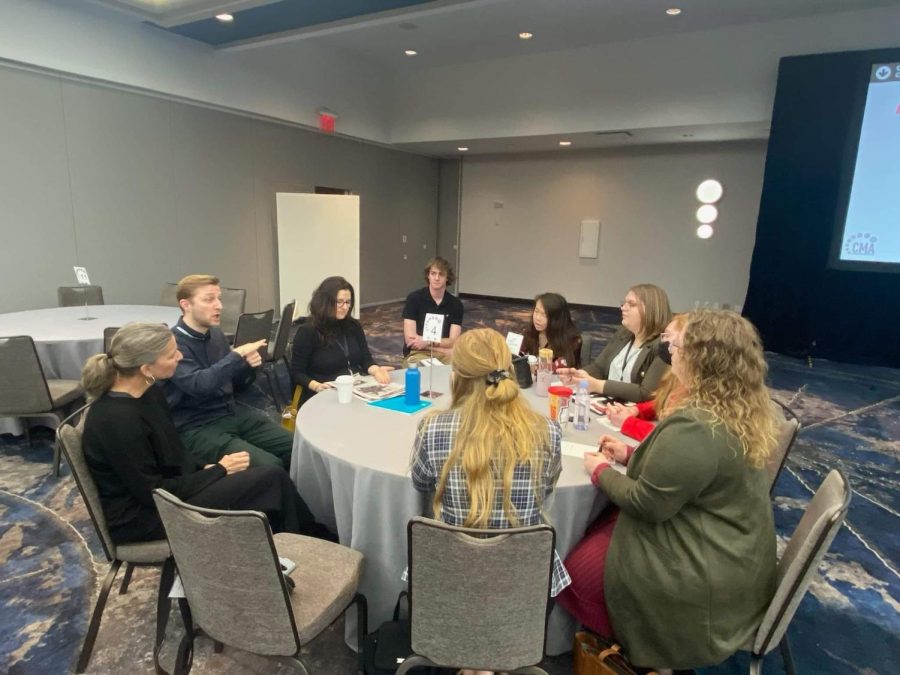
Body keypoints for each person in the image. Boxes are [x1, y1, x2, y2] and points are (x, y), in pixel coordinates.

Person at [556, 310, 778, 670]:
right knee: (596, 531)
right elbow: (692, 474)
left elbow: (648, 505)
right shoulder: (734, 409)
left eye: (677, 347)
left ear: (703, 359)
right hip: (735, 551)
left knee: (572, 573)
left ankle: (638, 651)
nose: (671, 354)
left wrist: (599, 471)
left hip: (701, 573)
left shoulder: (698, 425)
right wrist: (630, 455)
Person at [81, 323, 329, 544]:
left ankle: (294, 542)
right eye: (172, 355)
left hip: (171, 490)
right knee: (271, 479)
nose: (180, 357)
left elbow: (172, 455)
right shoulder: (116, 420)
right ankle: (307, 541)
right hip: (148, 517)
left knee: (267, 478)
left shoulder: (149, 391)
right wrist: (218, 471)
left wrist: (205, 469)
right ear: (146, 368)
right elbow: (153, 492)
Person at [410, 328, 570, 597]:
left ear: (456, 377)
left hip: (449, 579)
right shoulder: (548, 432)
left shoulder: (432, 428)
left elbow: (421, 482)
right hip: (526, 586)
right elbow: (546, 490)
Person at [163, 274, 293, 469]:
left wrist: (248, 367)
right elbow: (199, 385)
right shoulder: (173, 344)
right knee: (270, 466)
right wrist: (236, 356)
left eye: (219, 298)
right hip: (197, 425)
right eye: (209, 299)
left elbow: (237, 384)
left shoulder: (215, 334)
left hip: (230, 412)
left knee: (296, 447)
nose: (219, 306)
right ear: (185, 305)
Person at [558, 283, 671, 402]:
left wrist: (598, 385)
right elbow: (599, 367)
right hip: (607, 406)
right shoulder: (624, 333)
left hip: (634, 413)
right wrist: (578, 376)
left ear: (651, 310)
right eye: (624, 303)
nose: (623, 308)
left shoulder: (663, 347)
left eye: (631, 304)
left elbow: (646, 393)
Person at [289, 276, 392, 406]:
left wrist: (376, 370)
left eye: (348, 302)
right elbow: (297, 373)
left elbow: (366, 359)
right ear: (325, 302)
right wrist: (316, 386)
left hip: (354, 387)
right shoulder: (308, 331)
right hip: (323, 392)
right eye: (339, 302)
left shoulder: (353, 326)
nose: (345, 307)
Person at [602, 313, 688, 445]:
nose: (664, 343)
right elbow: (663, 402)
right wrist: (636, 410)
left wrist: (627, 423)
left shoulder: (694, 389)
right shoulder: (675, 375)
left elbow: (670, 441)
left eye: (669, 336)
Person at [402, 256, 464, 365]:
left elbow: (454, 341)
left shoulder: (456, 304)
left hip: (444, 355)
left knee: (460, 370)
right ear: (428, 276)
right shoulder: (414, 299)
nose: (436, 278)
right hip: (418, 352)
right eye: (433, 273)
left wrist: (427, 342)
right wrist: (443, 348)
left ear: (447, 278)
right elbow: (410, 340)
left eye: (441, 274)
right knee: (418, 369)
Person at [520, 292, 583, 369]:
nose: (537, 318)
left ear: (557, 319)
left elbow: (563, 367)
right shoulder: (529, 332)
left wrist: (536, 367)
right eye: (536, 311)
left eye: (544, 315)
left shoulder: (572, 340)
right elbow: (518, 356)